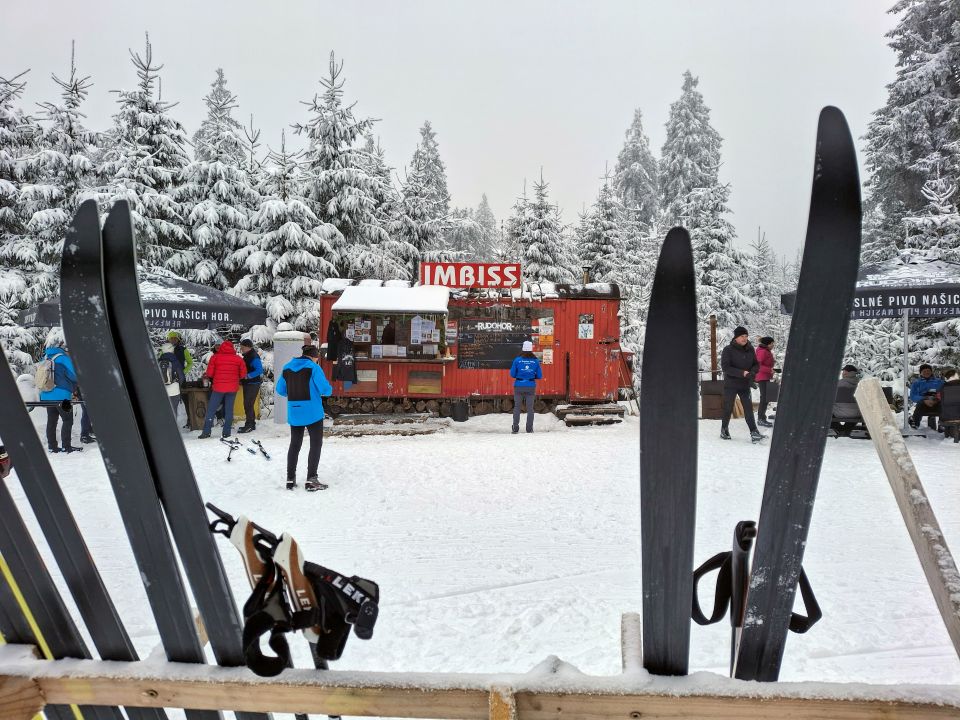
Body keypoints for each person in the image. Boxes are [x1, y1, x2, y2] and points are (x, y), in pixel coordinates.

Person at [276, 345, 333, 491]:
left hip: (294, 412)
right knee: (315, 444)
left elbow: (280, 390)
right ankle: (311, 479)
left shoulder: (287, 367)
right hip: (313, 413)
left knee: (295, 445)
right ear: (314, 357)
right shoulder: (313, 368)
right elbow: (326, 390)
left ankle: (290, 479)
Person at [719, 326, 764, 442]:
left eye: (746, 336)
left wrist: (752, 372)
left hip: (745, 384)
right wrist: (742, 373)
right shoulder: (728, 350)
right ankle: (724, 430)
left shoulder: (750, 349)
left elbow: (756, 364)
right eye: (742, 336)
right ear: (736, 337)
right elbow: (726, 367)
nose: (745, 338)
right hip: (731, 384)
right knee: (728, 408)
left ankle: (754, 432)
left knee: (748, 409)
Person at [199, 341, 247, 439]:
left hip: (218, 388)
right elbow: (243, 375)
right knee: (229, 410)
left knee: (211, 410)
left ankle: (206, 432)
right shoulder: (238, 359)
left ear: (221, 348)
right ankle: (226, 432)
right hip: (232, 388)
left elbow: (210, 374)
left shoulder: (215, 358)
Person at [38, 345, 81, 453]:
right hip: (63, 397)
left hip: (47, 395)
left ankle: (52, 447)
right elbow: (74, 375)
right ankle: (66, 447)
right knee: (67, 420)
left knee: (51, 421)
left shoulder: (45, 357)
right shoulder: (63, 358)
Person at [510, 340, 543, 434]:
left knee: (517, 407)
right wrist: (532, 376)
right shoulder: (535, 361)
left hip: (519, 386)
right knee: (530, 408)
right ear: (531, 349)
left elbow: (512, 374)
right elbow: (540, 376)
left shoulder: (517, 360)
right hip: (530, 386)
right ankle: (529, 429)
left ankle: (515, 428)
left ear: (523, 349)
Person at [238, 338, 263, 433]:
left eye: (243, 347)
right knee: (247, 404)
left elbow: (259, 370)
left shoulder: (253, 356)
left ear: (248, 347)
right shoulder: (248, 355)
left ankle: (250, 424)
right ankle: (250, 424)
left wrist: (248, 376)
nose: (241, 349)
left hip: (253, 384)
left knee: (248, 404)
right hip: (248, 383)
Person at [908, 364, 944, 430]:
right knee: (920, 404)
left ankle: (942, 424)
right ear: (921, 373)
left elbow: (946, 391)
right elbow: (913, 396)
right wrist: (924, 399)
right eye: (924, 371)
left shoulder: (939, 382)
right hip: (923, 404)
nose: (927, 372)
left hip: (937, 403)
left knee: (944, 404)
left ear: (931, 372)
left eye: (928, 371)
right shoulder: (916, 383)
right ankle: (915, 423)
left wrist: (937, 398)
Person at [158, 342, 187, 419]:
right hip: (174, 390)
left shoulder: (159, 361)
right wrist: (179, 385)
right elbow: (181, 377)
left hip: (162, 391)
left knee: (164, 411)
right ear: (171, 350)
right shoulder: (175, 361)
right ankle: (172, 429)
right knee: (173, 411)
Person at [831, 365, 862, 436]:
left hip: (838, 413)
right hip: (857, 414)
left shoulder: (837, 384)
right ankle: (846, 429)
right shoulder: (861, 384)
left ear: (846, 373)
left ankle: (839, 429)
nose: (842, 373)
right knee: (855, 411)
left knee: (827, 412)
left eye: (843, 372)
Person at [755, 336, 776, 428]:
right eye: (772, 343)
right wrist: (769, 370)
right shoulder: (762, 351)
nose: (773, 345)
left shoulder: (765, 351)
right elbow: (758, 366)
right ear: (768, 344)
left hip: (765, 376)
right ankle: (761, 419)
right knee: (764, 398)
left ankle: (762, 417)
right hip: (762, 377)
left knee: (766, 398)